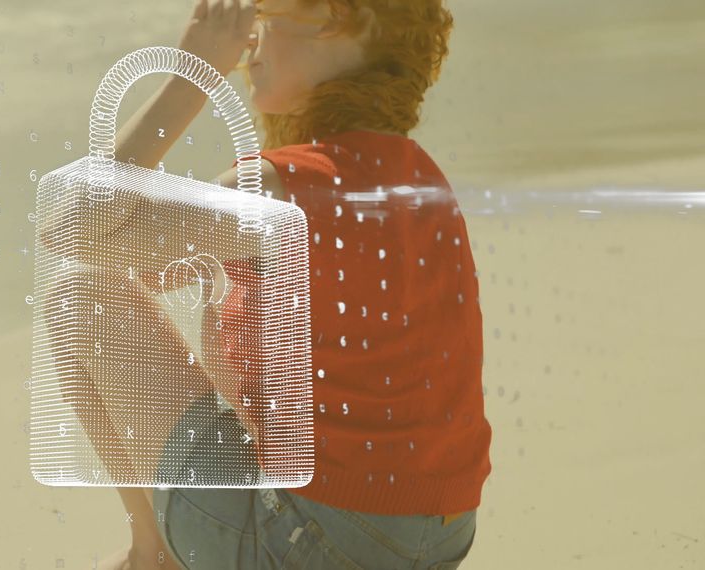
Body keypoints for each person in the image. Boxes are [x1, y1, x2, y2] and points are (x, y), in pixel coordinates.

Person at [84, 0, 492, 568]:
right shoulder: (420, 180)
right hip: (441, 534)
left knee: (84, 295)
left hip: (320, 543)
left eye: (262, 12)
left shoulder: (282, 186)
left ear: (333, 17)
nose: (248, 41)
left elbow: (76, 228)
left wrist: (192, 76)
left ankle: (154, 555)